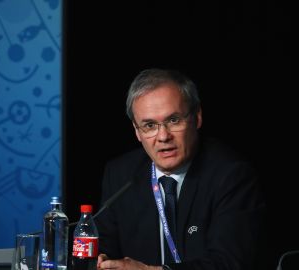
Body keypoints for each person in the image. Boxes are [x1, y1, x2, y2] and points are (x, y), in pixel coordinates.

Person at [95, 68, 266, 270]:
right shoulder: (120, 174)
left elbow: (229, 262)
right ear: (137, 131)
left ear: (197, 118)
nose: (163, 136)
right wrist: (100, 259)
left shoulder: (231, 175)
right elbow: (104, 245)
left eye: (173, 120)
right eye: (149, 125)